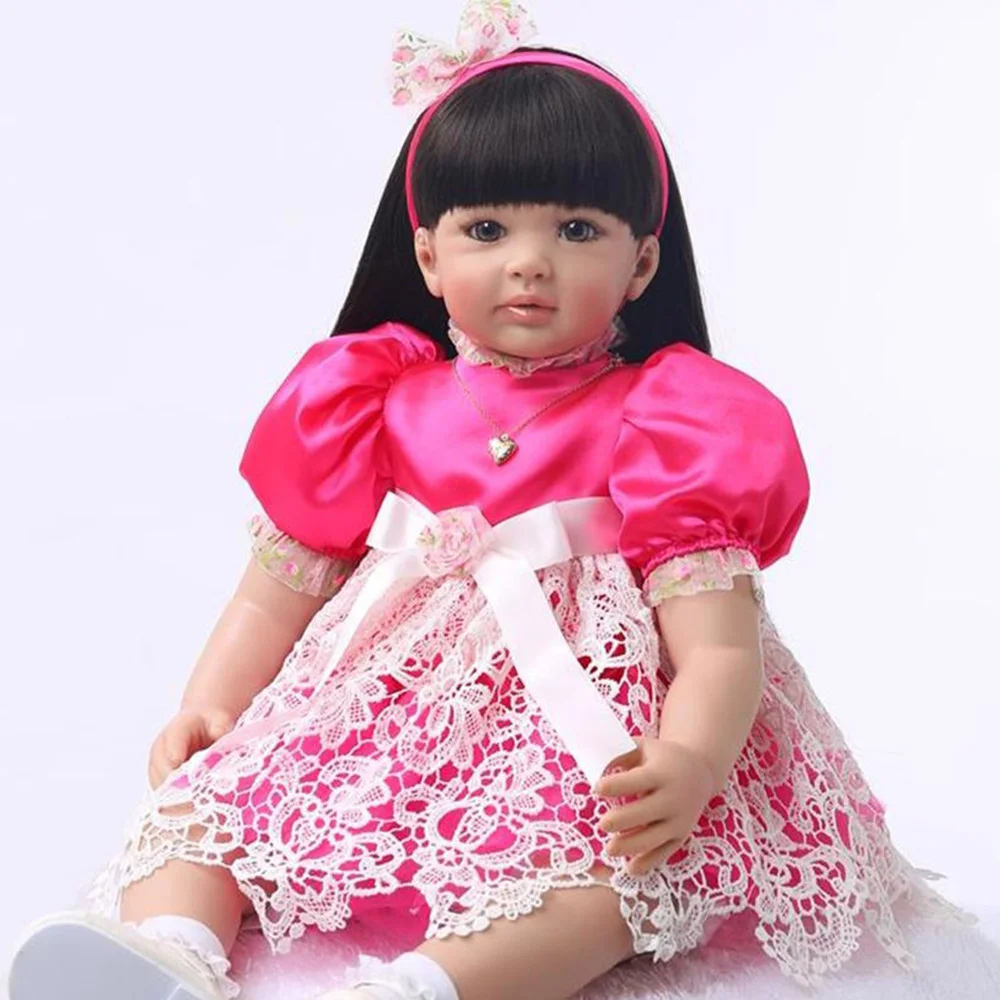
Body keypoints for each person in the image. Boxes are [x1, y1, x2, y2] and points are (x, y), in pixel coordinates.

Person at [5, 2, 973, 999]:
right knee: (202, 815)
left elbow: (719, 646)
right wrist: (211, 703)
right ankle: (170, 953)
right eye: (486, 228)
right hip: (374, 724)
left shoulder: (674, 422)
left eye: (576, 229)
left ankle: (424, 987)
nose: (528, 260)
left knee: (606, 885)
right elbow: (273, 592)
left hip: (579, 746)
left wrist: (687, 757)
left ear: (641, 262)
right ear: (428, 255)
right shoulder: (369, 398)